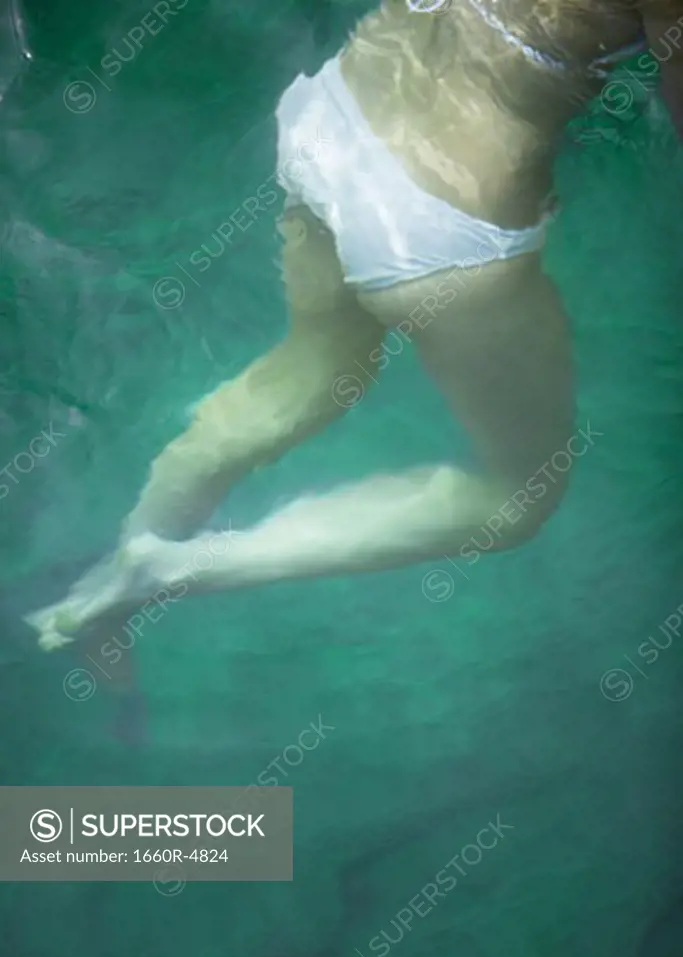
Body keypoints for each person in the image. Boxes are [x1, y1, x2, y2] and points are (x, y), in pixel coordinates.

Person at [27, 0, 683, 650]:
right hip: (442, 221)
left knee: (311, 366)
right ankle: (179, 569)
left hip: (335, 115)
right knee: (514, 498)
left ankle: (126, 553)